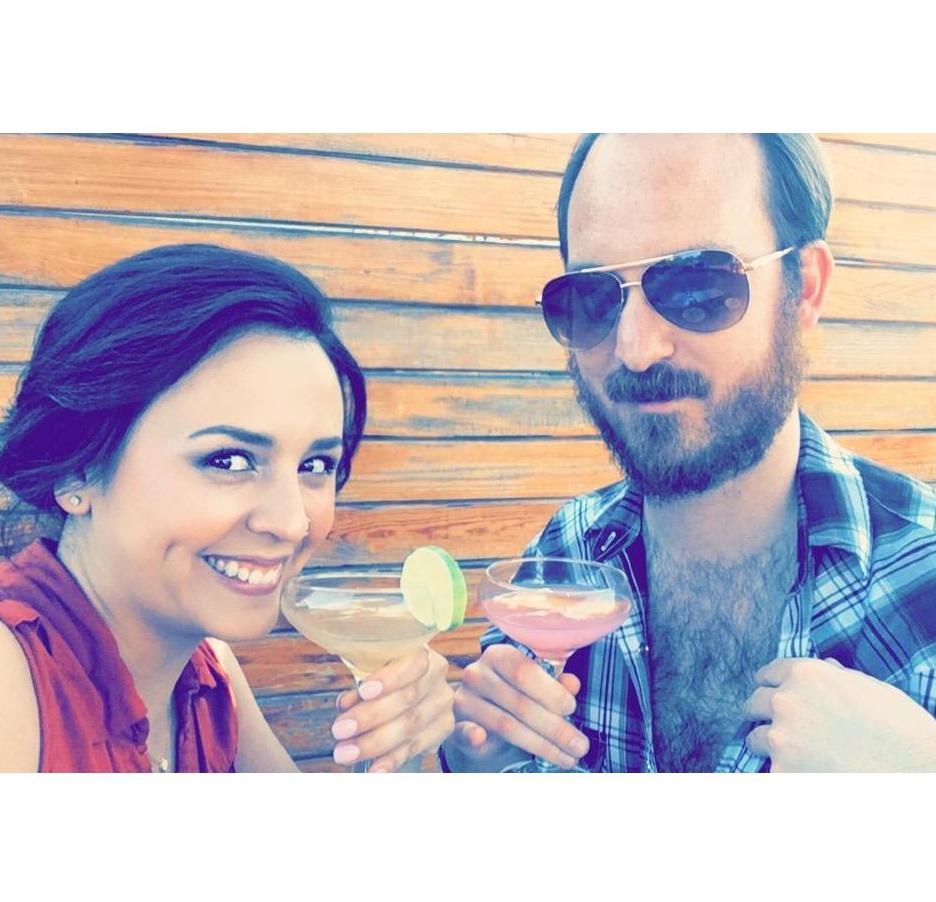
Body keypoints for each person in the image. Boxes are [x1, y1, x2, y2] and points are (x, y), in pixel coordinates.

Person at [443, 133, 936, 773]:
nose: (636, 349)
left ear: (805, 289)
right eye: (592, 298)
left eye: (697, 287)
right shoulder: (565, 553)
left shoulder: (922, 573)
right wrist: (472, 760)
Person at [0, 243, 455, 773]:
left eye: (315, 465)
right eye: (229, 460)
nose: (292, 523)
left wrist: (404, 752)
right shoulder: (13, 677)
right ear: (76, 469)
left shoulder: (207, 669)